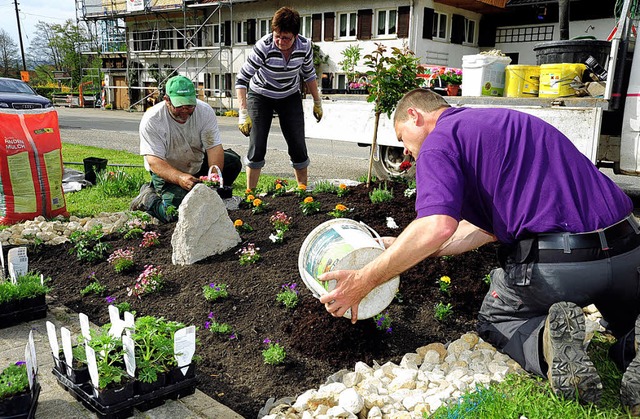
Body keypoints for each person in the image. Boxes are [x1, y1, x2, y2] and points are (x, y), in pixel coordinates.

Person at [318, 88, 640, 411]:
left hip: (564, 267)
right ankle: (631, 346)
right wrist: (404, 246)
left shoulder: (437, 142)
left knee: (495, 316)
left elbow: (437, 227)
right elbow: (479, 231)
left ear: (415, 115)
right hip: (628, 250)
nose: (405, 150)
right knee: (625, 323)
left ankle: (547, 346)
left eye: (403, 137)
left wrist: (364, 280)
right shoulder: (501, 123)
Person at [130, 75, 242, 223]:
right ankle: (147, 197)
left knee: (232, 162)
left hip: (196, 160)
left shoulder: (204, 111)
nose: (185, 110)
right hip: (167, 169)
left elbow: (214, 147)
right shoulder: (153, 119)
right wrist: (180, 178)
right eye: (179, 106)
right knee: (176, 213)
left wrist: (214, 176)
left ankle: (213, 196)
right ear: (167, 100)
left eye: (189, 106)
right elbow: (154, 162)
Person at [235, 6, 323, 191]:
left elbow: (309, 75)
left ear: (296, 36)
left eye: (286, 38)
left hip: (289, 95)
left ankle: (302, 191)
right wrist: (243, 113)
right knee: (257, 145)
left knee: (298, 144)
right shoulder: (264, 46)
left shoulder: (305, 46)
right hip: (261, 95)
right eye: (277, 36)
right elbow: (242, 80)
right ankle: (250, 194)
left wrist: (317, 102)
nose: (281, 42)